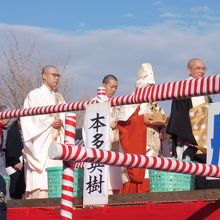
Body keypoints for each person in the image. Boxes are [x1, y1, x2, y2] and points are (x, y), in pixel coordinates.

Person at [167, 58, 220, 189]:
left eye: (203, 68)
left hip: (208, 141)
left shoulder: (205, 90)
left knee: (210, 174)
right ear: (189, 70)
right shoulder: (182, 89)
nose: (202, 71)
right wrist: (191, 138)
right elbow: (178, 117)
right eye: (198, 68)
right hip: (190, 141)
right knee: (194, 177)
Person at [116, 63, 168, 194]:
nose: (150, 88)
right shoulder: (131, 101)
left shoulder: (154, 103)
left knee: (151, 175)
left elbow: (163, 119)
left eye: (152, 86)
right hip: (138, 146)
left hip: (153, 147)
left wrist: (161, 123)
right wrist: (142, 119)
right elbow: (125, 125)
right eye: (148, 85)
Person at [20, 65, 65, 199]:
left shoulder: (59, 97)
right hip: (41, 143)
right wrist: (50, 121)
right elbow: (29, 120)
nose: (56, 78)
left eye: (58, 75)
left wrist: (61, 122)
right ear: (43, 76)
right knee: (41, 186)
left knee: (56, 183)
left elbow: (66, 115)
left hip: (56, 141)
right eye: (53, 75)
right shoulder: (34, 95)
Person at [83, 74, 122, 194]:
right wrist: (108, 124)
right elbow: (88, 127)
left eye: (116, 87)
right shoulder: (94, 102)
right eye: (111, 87)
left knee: (114, 178)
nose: (114, 90)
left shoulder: (116, 102)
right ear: (104, 86)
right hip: (100, 145)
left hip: (114, 144)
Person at [5, 118, 25, 199]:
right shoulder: (13, 131)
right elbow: (10, 148)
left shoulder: (24, 131)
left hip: (23, 163)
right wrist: (15, 162)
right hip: (13, 165)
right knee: (15, 187)